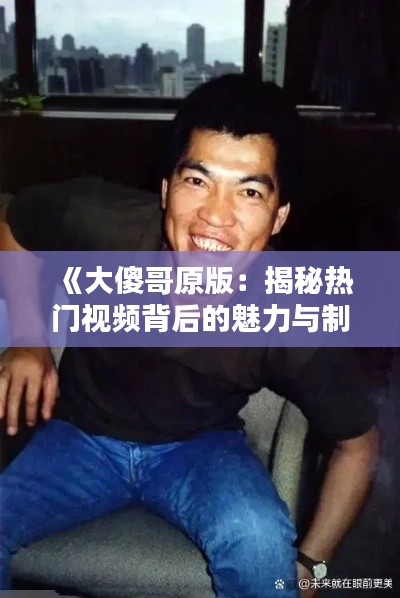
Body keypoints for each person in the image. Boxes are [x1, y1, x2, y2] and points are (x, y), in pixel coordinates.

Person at [0, 75, 378, 597]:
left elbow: (357, 445)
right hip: (78, 434)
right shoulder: (103, 226)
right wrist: (28, 338)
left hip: (201, 447)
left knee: (260, 544)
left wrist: (313, 564)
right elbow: (15, 220)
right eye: (197, 181)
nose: (215, 216)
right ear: (166, 189)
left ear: (278, 217)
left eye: (249, 192)